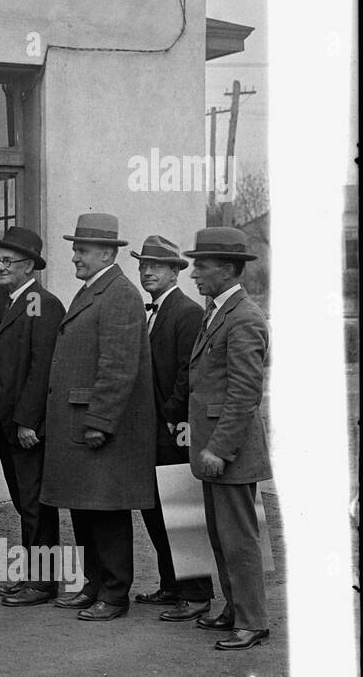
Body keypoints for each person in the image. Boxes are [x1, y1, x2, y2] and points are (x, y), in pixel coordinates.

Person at [41, 213, 156, 621]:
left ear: (107, 253)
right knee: (85, 509)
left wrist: (100, 422)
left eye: (82, 250)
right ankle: (94, 584)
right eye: (75, 249)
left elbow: (119, 366)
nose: (75, 257)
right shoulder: (95, 290)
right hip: (80, 425)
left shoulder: (119, 294)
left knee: (106, 512)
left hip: (95, 428)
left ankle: (115, 593)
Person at [183, 227, 272, 650]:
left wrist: (219, 448)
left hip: (228, 449)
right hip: (215, 446)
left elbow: (244, 393)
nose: (194, 272)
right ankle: (235, 609)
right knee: (221, 535)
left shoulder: (244, 317)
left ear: (227, 269)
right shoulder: (219, 311)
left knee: (239, 539)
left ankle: (253, 621)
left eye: (202, 265)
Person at [130, 235, 215, 621]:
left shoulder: (186, 312)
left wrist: (167, 414)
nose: (147, 271)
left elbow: (188, 372)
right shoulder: (155, 312)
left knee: (181, 509)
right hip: (153, 428)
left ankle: (196, 595)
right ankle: (171, 584)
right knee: (156, 510)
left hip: (175, 427)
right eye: (144, 265)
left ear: (174, 272)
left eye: (157, 266)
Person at [0, 227, 66, 608]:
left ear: (29, 265)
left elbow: (42, 368)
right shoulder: (15, 302)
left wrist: (28, 421)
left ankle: (44, 582)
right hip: (10, 427)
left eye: (8, 261)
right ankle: (34, 576)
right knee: (25, 505)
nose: (0, 267)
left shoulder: (41, 304)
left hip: (25, 429)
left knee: (36, 507)